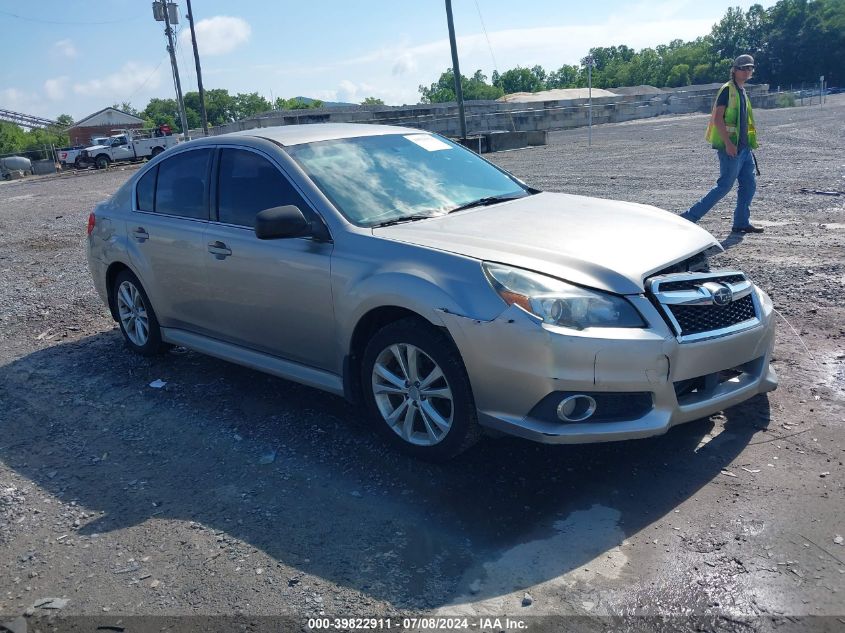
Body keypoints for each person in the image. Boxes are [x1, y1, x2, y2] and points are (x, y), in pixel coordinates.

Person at [681, 54, 763, 233]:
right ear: (734, 70)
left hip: (744, 149)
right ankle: (688, 218)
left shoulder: (742, 90)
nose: (747, 71)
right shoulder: (728, 90)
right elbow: (717, 118)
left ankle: (741, 222)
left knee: (749, 185)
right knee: (725, 186)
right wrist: (728, 143)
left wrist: (748, 144)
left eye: (750, 68)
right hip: (731, 148)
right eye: (743, 68)